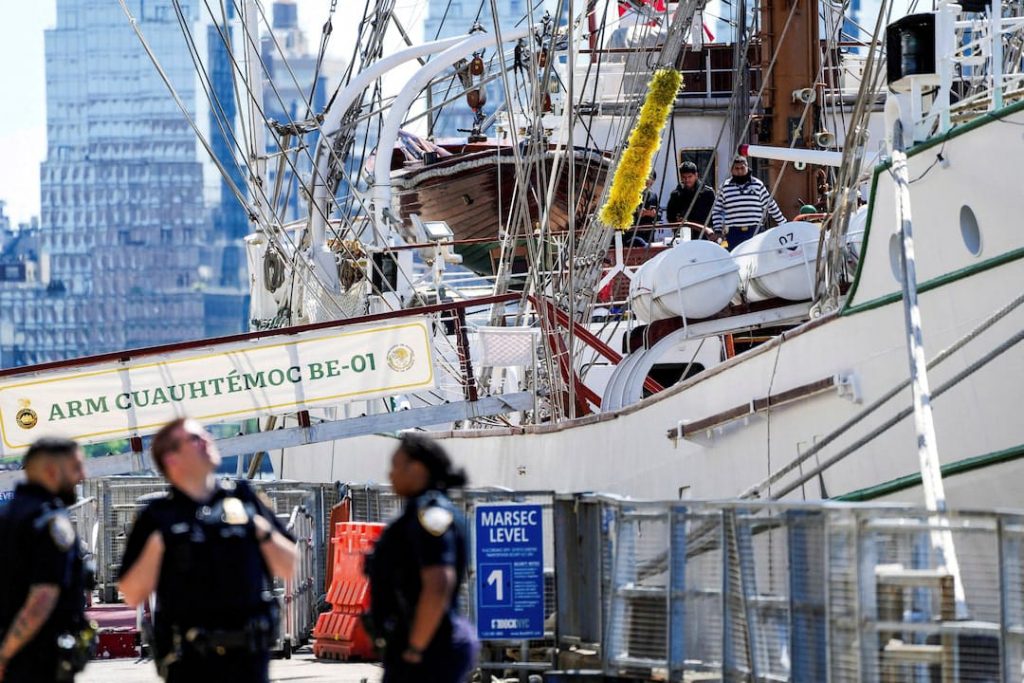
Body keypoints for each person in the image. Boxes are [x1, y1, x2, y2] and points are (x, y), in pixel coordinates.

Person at [118, 418, 297, 683]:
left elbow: (289, 565)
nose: (207, 441)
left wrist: (257, 526)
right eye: (195, 438)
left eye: (206, 435)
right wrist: (160, 543)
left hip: (248, 660)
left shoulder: (243, 497)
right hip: (190, 663)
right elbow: (132, 594)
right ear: (171, 458)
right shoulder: (157, 516)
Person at [365, 433, 478, 683]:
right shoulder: (423, 513)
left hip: (429, 652)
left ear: (416, 468)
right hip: (422, 645)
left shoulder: (431, 516)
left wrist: (416, 648)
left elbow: (438, 584)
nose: (390, 475)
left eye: (396, 466)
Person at [0, 437, 92, 683]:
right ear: (52, 471)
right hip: (37, 659)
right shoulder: (50, 522)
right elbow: (41, 599)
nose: (82, 475)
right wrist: (5, 655)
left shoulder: (9, 516)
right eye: (76, 467)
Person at [711, 155, 787, 249]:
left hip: (755, 230)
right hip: (734, 233)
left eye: (742, 168)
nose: (739, 171)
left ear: (747, 167)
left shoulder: (757, 184)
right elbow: (717, 210)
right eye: (736, 168)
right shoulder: (724, 187)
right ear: (732, 170)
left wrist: (783, 224)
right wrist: (718, 230)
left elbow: (770, 205)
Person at [665, 161, 716, 236]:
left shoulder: (708, 193)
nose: (687, 180)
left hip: (704, 235)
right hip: (683, 235)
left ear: (696, 175)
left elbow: (714, 216)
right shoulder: (676, 194)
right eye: (684, 177)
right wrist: (677, 221)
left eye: (689, 177)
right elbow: (670, 216)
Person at [629, 171, 661, 245]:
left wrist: (653, 214)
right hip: (634, 233)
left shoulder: (653, 195)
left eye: (651, 183)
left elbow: (659, 213)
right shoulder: (632, 194)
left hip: (649, 234)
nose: (648, 185)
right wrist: (638, 213)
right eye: (646, 182)